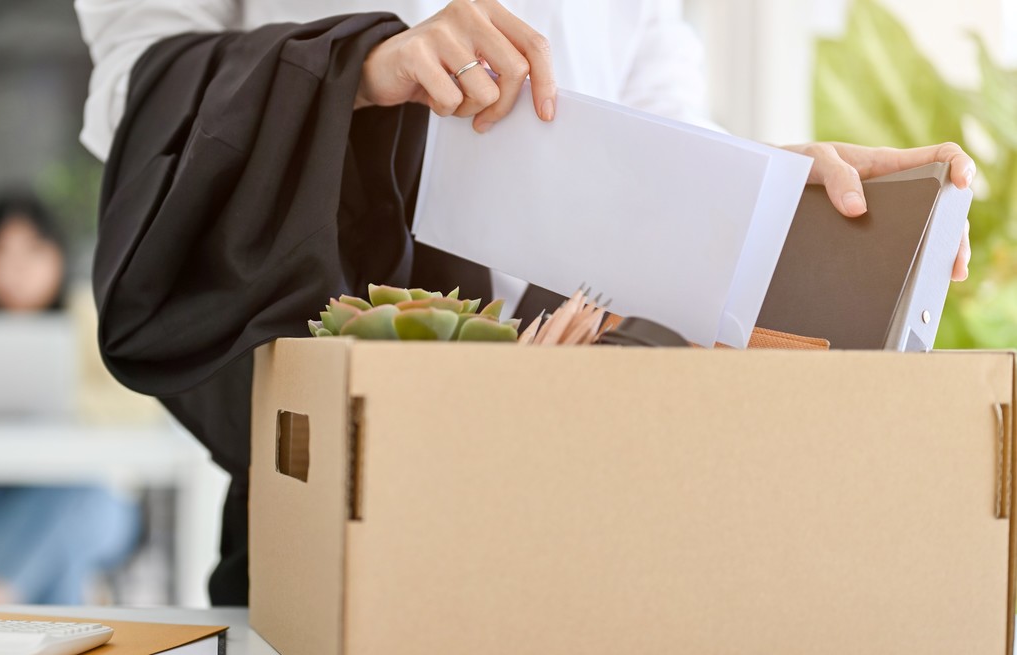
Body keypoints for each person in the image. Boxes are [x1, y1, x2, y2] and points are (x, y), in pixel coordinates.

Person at [75, 0, 976, 605]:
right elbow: (135, 96)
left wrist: (770, 194)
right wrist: (354, 70)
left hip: (590, 476)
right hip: (350, 465)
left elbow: (656, 105)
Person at [0, 191, 142, 605]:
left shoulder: (88, 315)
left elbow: (143, 400)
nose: (17, 270)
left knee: (77, 494)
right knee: (66, 554)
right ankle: (26, 608)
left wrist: (63, 402)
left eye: (32, 251)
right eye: (2, 252)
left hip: (97, 495)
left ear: (57, 257)